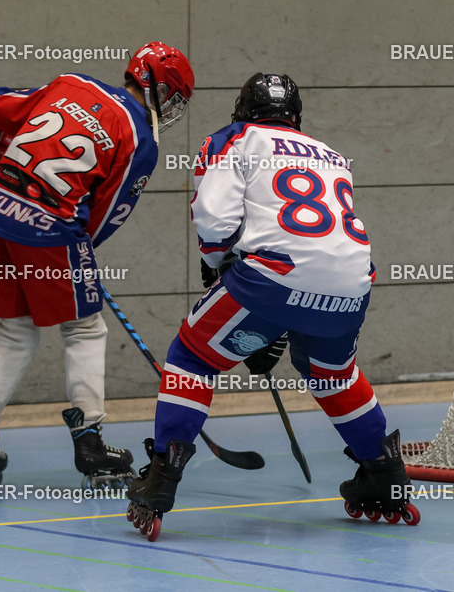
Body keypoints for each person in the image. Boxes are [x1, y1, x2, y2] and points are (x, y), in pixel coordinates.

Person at [125, 73, 418, 541]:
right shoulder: (333, 155)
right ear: (296, 115)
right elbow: (318, 240)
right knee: (333, 374)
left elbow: (215, 217)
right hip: (351, 283)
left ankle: (161, 477)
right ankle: (385, 475)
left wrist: (218, 264)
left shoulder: (233, 139)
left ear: (242, 109)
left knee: (192, 358)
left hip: (271, 278)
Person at [0, 42, 195, 489]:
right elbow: (107, 216)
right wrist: (78, 249)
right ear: (159, 88)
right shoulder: (140, 139)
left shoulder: (71, 83)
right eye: (175, 94)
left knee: (15, 330)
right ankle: (90, 441)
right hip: (47, 228)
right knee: (85, 328)